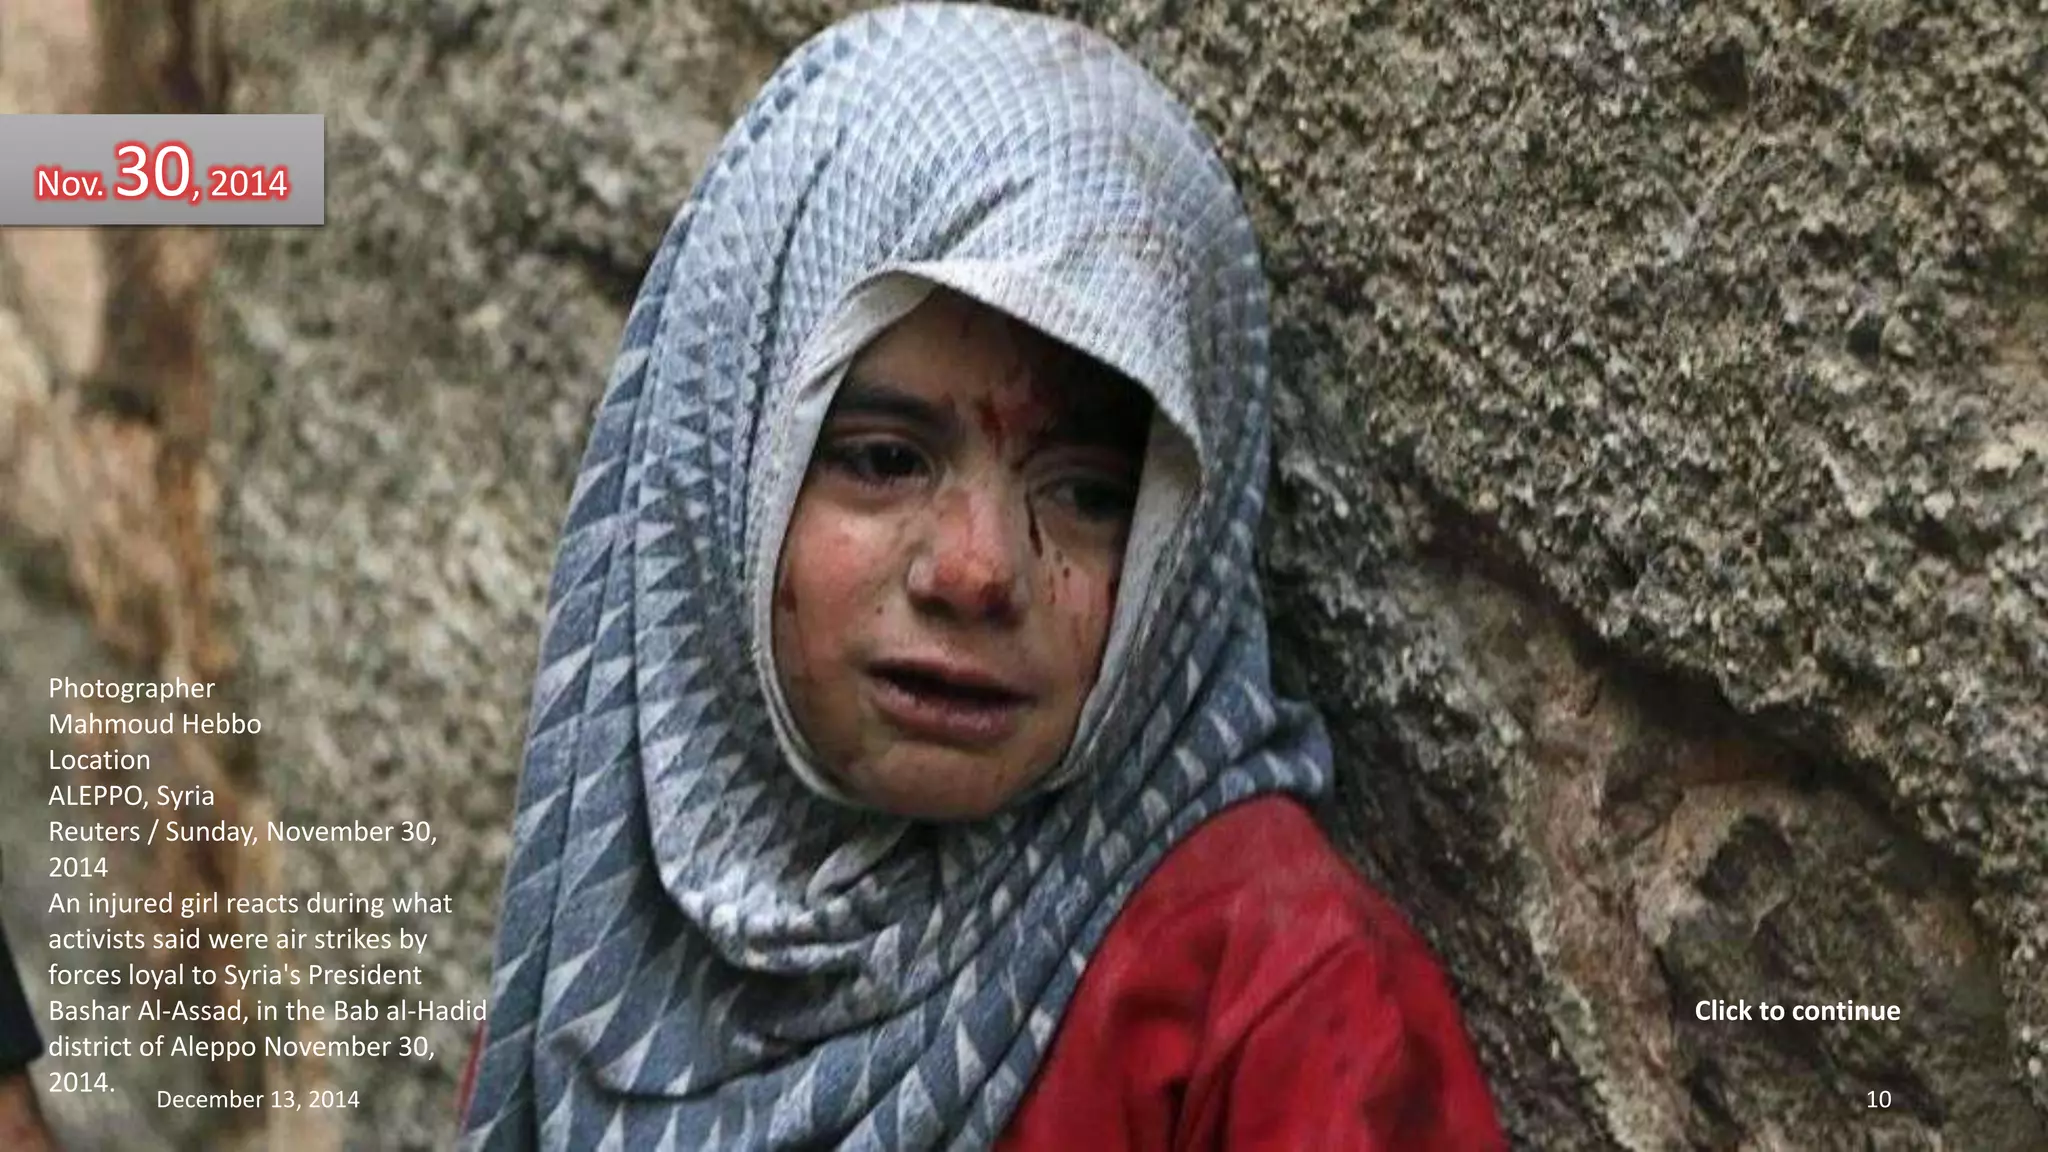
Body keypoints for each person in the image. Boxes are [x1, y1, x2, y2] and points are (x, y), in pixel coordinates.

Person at [459, 4, 1503, 1148]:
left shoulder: (1274, 1004)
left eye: (1088, 493)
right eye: (883, 460)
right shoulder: (620, 911)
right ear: (723, 483)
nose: (976, 571)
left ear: (1180, 550)